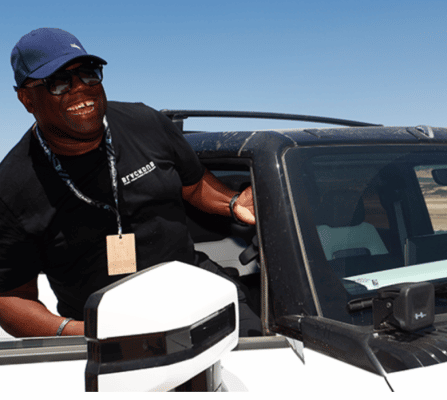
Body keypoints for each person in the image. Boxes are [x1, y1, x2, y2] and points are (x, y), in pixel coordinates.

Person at [0, 28, 261, 338]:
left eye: (88, 73)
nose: (80, 88)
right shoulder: (12, 187)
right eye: (58, 82)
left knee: (266, 356)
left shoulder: (146, 122)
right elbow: (10, 297)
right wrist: (87, 334)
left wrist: (232, 202)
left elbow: (193, 185)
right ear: (26, 98)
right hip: (109, 329)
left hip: (199, 292)